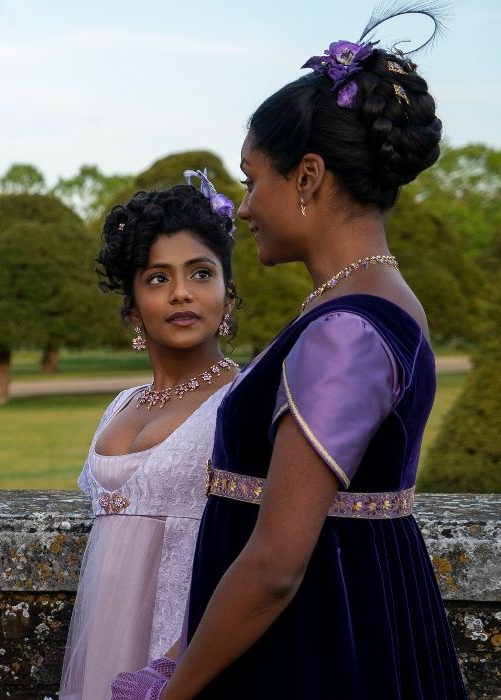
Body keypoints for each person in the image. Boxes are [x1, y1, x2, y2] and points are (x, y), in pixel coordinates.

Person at [113, 8, 468, 699]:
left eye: (252, 180)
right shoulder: (372, 301)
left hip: (316, 643)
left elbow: (276, 563)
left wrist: (176, 689)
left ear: (307, 176)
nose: (242, 209)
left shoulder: (346, 330)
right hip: (343, 617)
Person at [59, 176, 240, 700]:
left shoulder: (242, 401)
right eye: (158, 278)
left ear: (227, 295)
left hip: (183, 649)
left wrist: (175, 665)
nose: (182, 292)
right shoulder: (121, 404)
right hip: (103, 643)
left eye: (200, 273)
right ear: (133, 306)